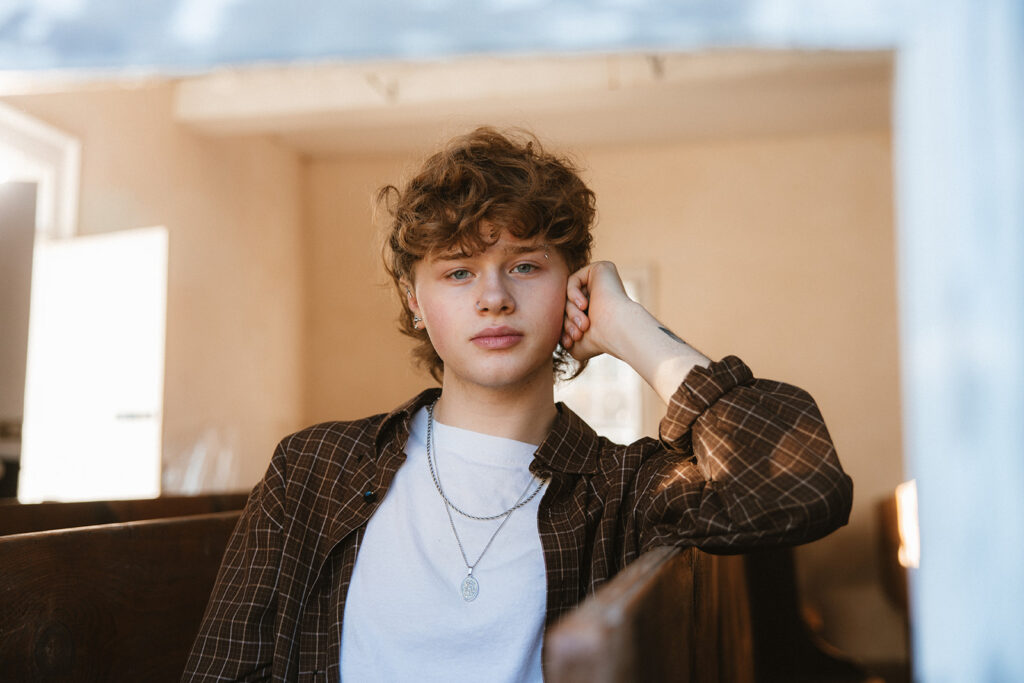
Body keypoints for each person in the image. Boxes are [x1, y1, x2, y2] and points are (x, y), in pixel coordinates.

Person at [182, 127, 853, 682]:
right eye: (458, 270)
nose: (494, 296)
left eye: (527, 264)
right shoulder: (313, 468)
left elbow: (802, 484)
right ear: (416, 302)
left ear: (576, 285)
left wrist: (634, 333)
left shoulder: (622, 490)